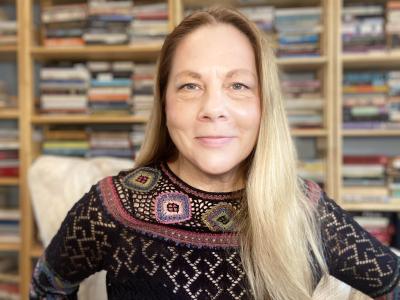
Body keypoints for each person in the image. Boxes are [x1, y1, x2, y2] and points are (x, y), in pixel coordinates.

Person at [30, 6, 400, 300]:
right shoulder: (112, 206)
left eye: (237, 85)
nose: (213, 108)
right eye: (190, 85)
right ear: (165, 102)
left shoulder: (304, 209)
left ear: (263, 104)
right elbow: (49, 284)